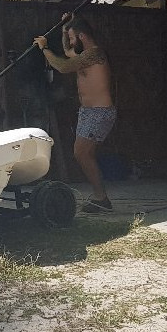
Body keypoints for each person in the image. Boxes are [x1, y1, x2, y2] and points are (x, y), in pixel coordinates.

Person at [34, 14, 115, 213]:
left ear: (82, 36)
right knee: (83, 154)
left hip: (99, 112)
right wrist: (64, 28)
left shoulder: (93, 55)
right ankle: (100, 197)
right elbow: (68, 52)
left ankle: (101, 198)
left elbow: (62, 66)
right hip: (88, 112)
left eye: (72, 37)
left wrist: (44, 47)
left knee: (82, 154)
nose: (70, 42)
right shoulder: (84, 55)